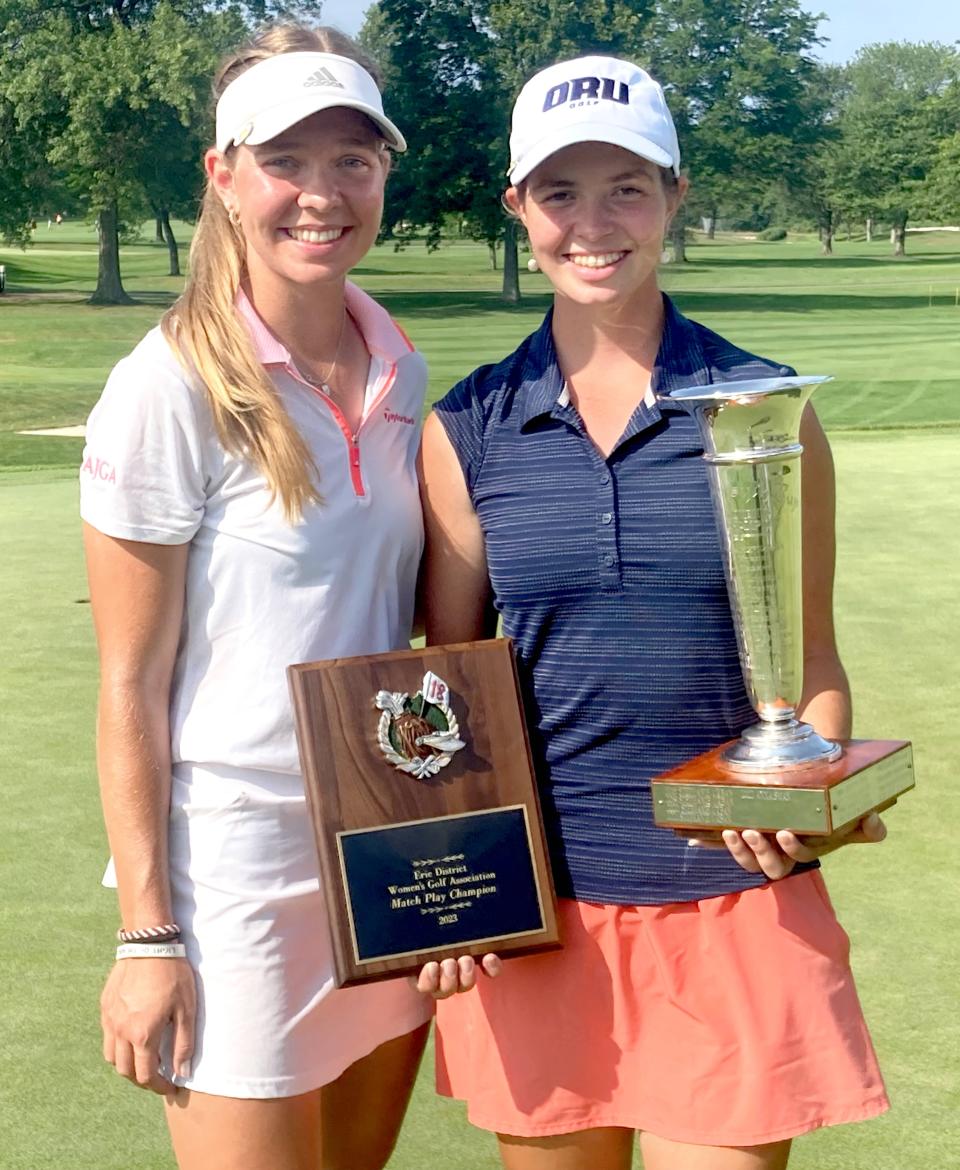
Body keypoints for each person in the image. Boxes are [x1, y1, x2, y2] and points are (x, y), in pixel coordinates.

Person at [418, 55, 889, 1170]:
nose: (594, 223)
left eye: (626, 185)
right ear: (518, 208)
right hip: (542, 910)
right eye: (560, 192)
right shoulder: (468, 427)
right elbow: (443, 696)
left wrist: (806, 791)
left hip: (732, 900)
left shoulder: (763, 411)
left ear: (676, 194)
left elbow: (810, 661)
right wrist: (437, 892)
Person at [81, 25, 434, 1170]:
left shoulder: (400, 366)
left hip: (379, 854)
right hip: (232, 875)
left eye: (352, 159)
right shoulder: (167, 386)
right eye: (286, 160)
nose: (321, 194)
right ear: (225, 177)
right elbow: (128, 683)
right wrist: (147, 933)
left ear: (386, 172)